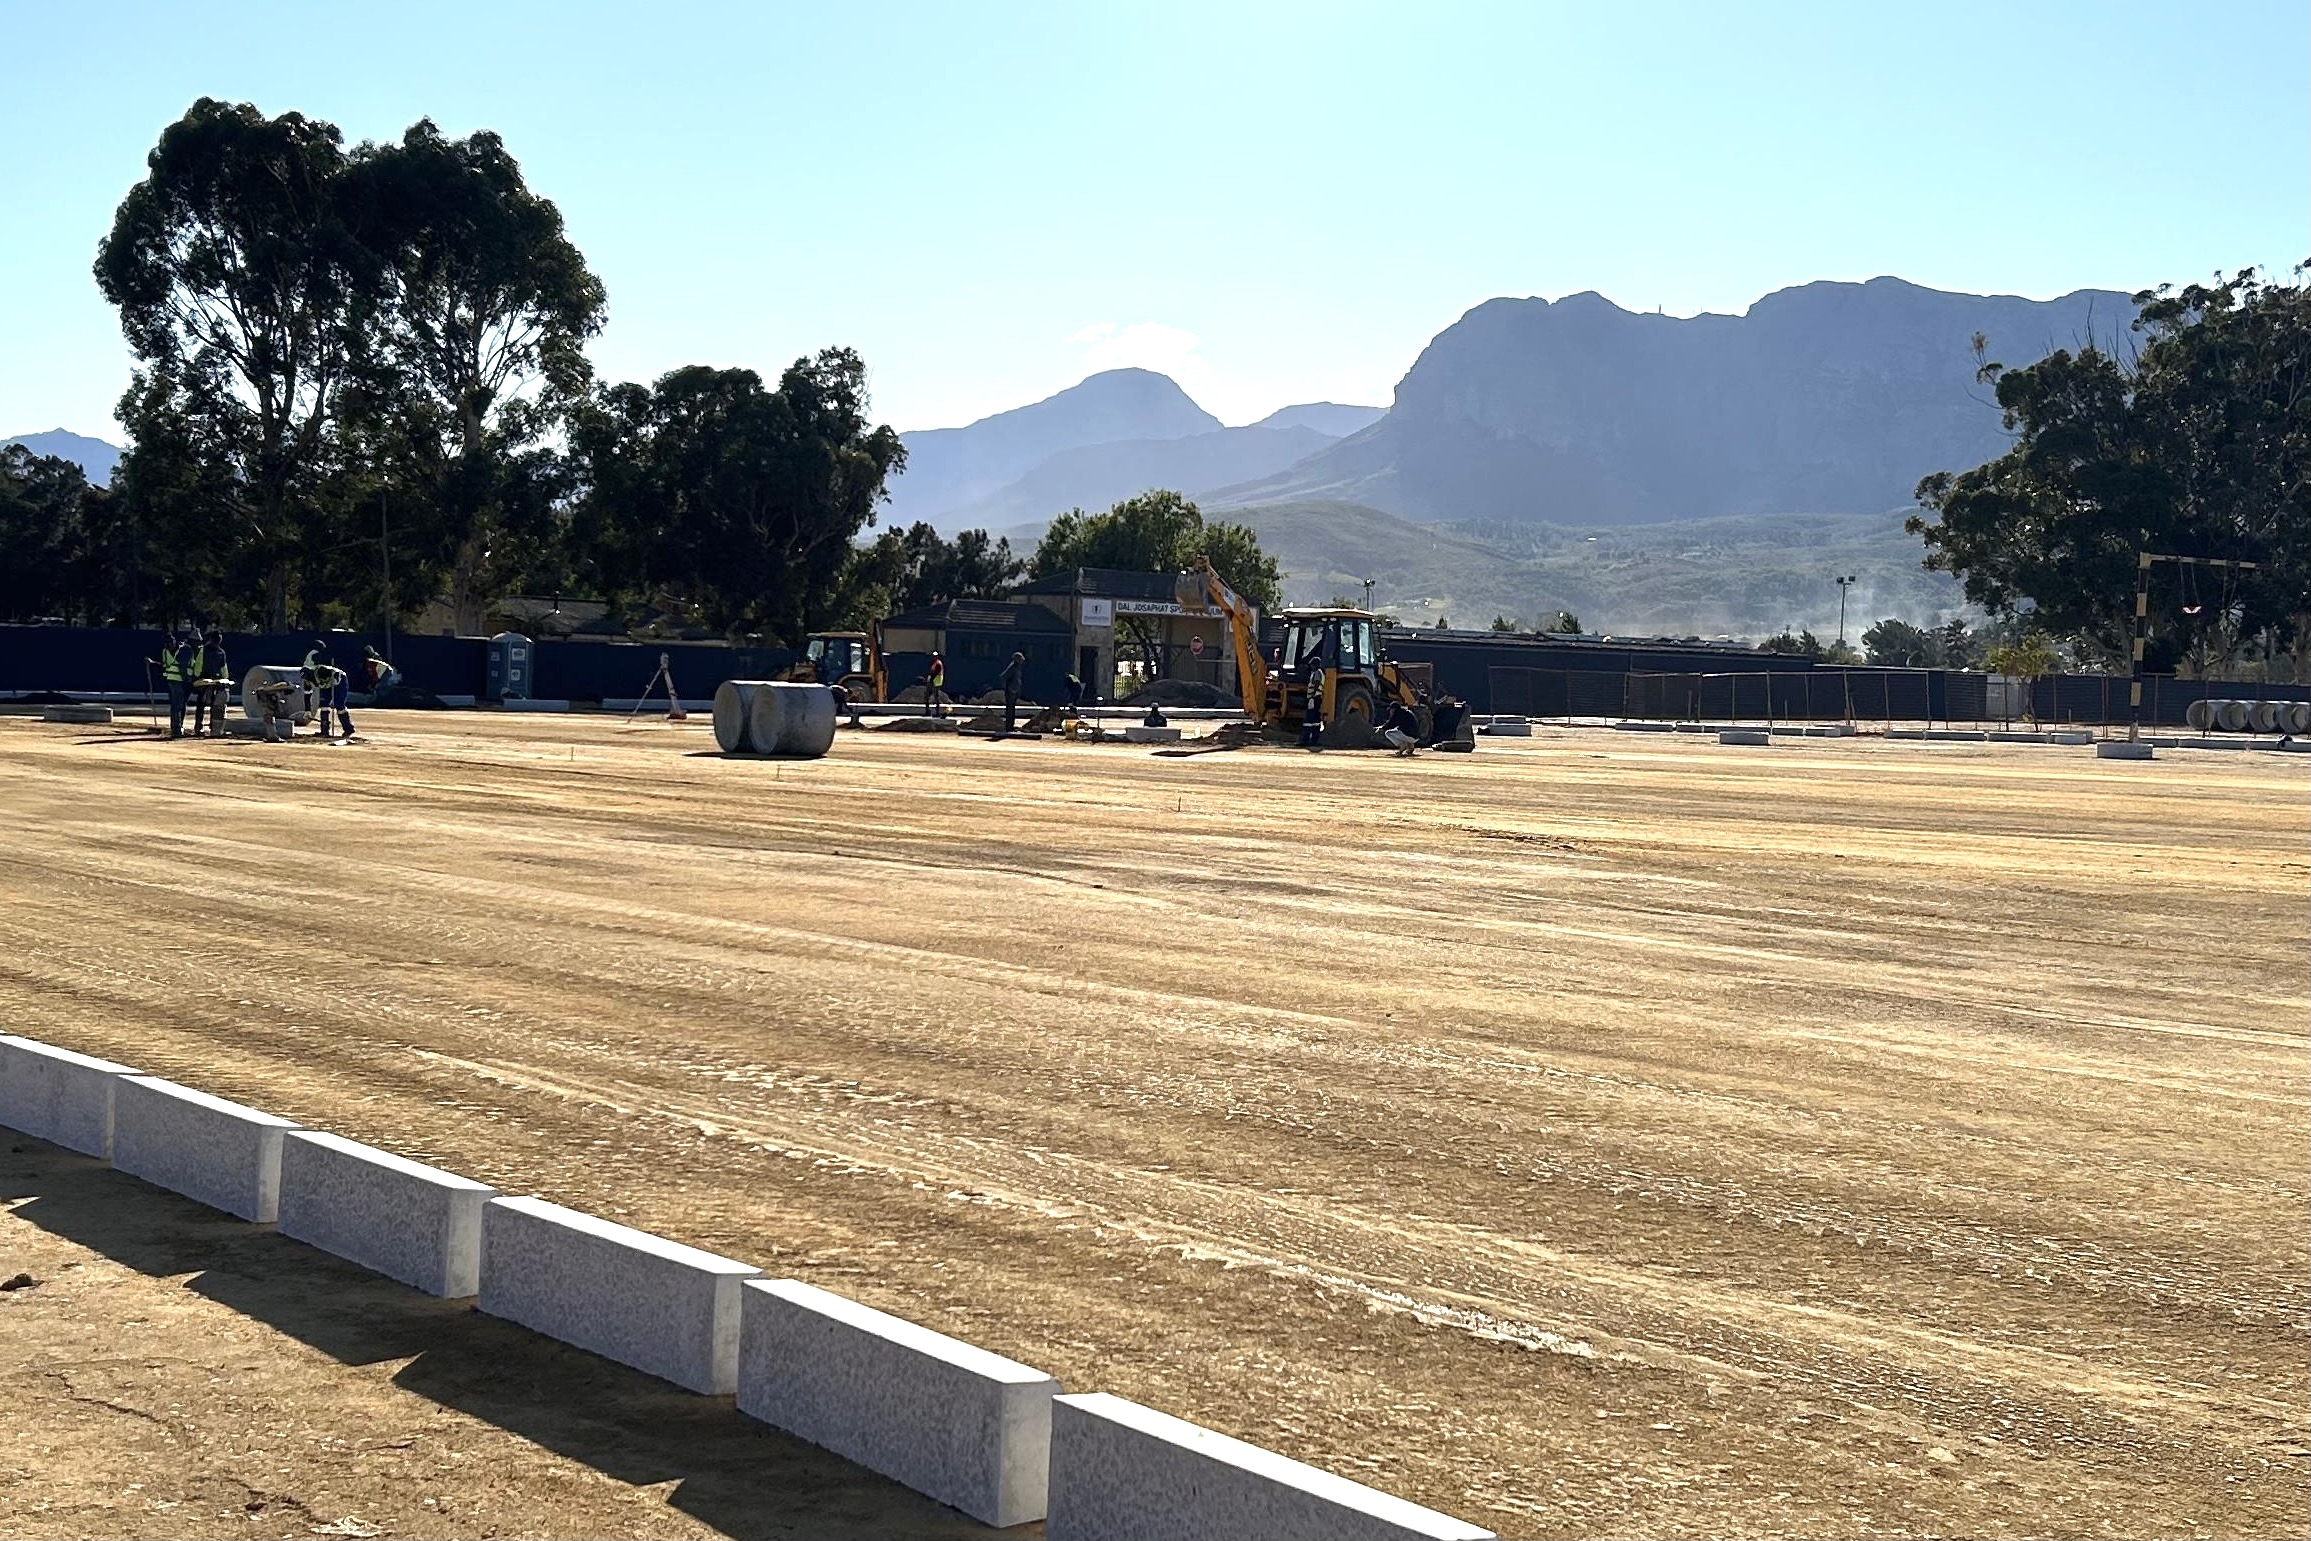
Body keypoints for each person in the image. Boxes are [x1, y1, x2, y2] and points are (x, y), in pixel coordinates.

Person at [302, 638, 354, 739]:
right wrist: (307, 710)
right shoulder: (307, 681)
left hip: (339, 682)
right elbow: (307, 695)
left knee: (339, 705)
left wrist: (335, 682)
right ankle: (324, 731)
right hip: (326, 685)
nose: (306, 682)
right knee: (324, 705)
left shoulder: (321, 671)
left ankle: (348, 729)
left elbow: (336, 675)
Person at [190, 629, 230, 737]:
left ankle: (205, 727)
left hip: (210, 680)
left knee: (206, 705)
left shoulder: (213, 651)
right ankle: (201, 727)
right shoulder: (218, 652)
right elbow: (223, 669)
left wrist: (197, 676)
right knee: (206, 704)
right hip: (207, 680)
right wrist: (224, 678)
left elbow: (223, 667)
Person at [150, 630, 190, 740]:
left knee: (178, 705)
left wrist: (187, 680)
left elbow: (182, 667)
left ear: (174, 642)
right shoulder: (165, 651)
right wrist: (153, 663)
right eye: (166, 644)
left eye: (170, 643)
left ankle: (177, 727)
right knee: (176, 706)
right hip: (173, 681)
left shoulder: (182, 650)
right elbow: (165, 665)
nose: (168, 646)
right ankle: (176, 729)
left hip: (181, 681)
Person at [1000, 650, 1026, 734]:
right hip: (1011, 692)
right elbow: (1004, 676)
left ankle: (1011, 726)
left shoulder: (1017, 667)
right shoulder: (1012, 667)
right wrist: (1008, 688)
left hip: (1014, 691)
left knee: (1012, 709)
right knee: (1010, 710)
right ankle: (1008, 727)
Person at [1300, 666, 1325, 749]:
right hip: (1315, 698)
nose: (1311, 666)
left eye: (1312, 665)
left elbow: (1317, 683)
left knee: (1309, 720)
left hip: (1314, 698)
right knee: (1315, 720)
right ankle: (1314, 740)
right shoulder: (1319, 673)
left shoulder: (1317, 673)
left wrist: (1312, 697)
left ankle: (1305, 740)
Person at [925, 652, 947, 718]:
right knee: (928, 696)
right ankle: (928, 711)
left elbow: (935, 673)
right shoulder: (934, 663)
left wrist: (930, 680)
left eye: (935, 656)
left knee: (935, 697)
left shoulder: (938, 664)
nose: (934, 657)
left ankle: (937, 712)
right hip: (934, 682)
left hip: (936, 682)